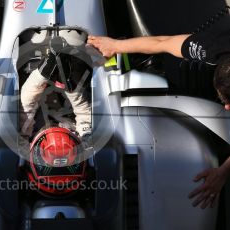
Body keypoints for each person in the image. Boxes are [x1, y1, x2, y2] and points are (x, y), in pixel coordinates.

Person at [87, 6, 230, 209]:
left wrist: (223, 172)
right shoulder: (210, 46)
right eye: (225, 100)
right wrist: (115, 46)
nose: (225, 106)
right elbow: (163, 42)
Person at [19, 35, 92, 159]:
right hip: (69, 117)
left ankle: (47, 70)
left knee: (23, 117)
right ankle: (64, 75)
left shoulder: (28, 150)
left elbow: (25, 113)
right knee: (84, 116)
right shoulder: (82, 147)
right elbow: (84, 116)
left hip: (39, 122)